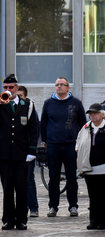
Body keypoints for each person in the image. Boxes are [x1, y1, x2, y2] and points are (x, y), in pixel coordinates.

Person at [0, 74, 38, 230]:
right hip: (6, 152)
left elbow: (33, 129)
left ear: (17, 88)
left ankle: (21, 219)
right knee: (7, 188)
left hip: (22, 152)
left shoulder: (27, 104)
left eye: (11, 87)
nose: (8, 90)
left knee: (21, 187)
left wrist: (32, 151)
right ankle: (8, 219)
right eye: (5, 87)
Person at [40, 77, 86, 217]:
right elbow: (44, 123)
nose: (59, 87)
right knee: (53, 177)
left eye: (62, 84)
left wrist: (79, 142)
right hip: (53, 144)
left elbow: (83, 123)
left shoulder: (76, 103)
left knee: (72, 177)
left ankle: (73, 206)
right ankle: (53, 206)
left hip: (71, 145)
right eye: (57, 85)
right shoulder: (48, 103)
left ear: (68, 87)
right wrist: (45, 141)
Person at [76, 103, 105, 230]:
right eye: (91, 113)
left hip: (104, 168)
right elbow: (78, 143)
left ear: (102, 114)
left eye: (95, 113)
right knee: (93, 196)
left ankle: (103, 222)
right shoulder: (86, 127)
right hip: (89, 168)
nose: (93, 115)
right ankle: (93, 221)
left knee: (104, 196)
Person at [18, 85, 40, 217]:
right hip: (14, 150)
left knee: (29, 178)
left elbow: (34, 130)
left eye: (21, 96)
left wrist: (32, 149)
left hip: (26, 150)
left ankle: (33, 207)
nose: (19, 98)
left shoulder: (30, 109)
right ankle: (20, 208)